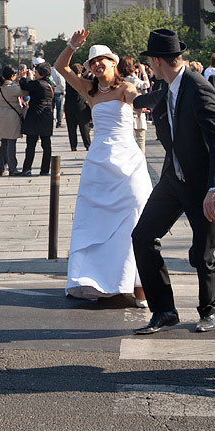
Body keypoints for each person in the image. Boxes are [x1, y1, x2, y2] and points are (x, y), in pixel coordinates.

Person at [130, 29, 215, 335]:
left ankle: (208, 311)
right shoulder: (169, 86)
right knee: (142, 236)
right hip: (174, 180)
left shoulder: (198, 88)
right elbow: (153, 99)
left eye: (150, 62)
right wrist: (121, 95)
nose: (150, 67)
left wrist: (214, 189)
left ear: (156, 61)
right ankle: (164, 311)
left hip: (202, 184)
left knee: (201, 254)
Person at [56, 33, 152, 304]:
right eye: (93, 61)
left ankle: (138, 284)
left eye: (103, 60)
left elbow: (135, 98)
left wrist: (142, 104)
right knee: (96, 222)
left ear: (113, 63)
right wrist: (72, 46)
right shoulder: (90, 90)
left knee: (136, 214)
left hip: (128, 162)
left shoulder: (125, 88)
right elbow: (60, 67)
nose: (98, 65)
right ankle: (98, 282)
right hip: (99, 162)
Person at [18, 62, 55, 176]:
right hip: (47, 116)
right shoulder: (50, 84)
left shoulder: (39, 84)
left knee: (31, 145)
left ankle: (27, 168)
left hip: (35, 115)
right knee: (46, 144)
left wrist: (24, 77)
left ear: (41, 73)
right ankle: (45, 169)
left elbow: (25, 85)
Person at [0, 65, 28, 176]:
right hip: (11, 116)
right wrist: (25, 78)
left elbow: (7, 82)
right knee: (12, 142)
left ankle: (1, 167)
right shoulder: (13, 88)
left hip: (0, 115)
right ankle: (13, 168)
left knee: (4, 142)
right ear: (12, 76)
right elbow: (26, 92)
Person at [64, 62, 92, 151]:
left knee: (71, 128)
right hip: (81, 105)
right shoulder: (81, 81)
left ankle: (73, 145)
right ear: (79, 72)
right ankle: (87, 144)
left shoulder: (68, 81)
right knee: (84, 127)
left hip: (69, 105)